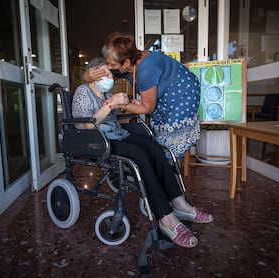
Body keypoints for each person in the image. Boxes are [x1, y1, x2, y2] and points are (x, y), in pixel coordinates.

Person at [73, 57, 213, 248]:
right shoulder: (83, 92)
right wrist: (110, 105)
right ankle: (166, 219)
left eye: (110, 72)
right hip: (97, 142)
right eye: (105, 73)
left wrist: (124, 103)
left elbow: (115, 119)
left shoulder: (105, 93)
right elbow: (85, 125)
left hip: (116, 135)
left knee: (154, 147)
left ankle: (180, 203)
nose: (110, 76)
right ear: (93, 74)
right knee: (138, 154)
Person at [96, 32, 201, 159]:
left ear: (127, 62)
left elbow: (147, 108)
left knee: (169, 140)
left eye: (112, 65)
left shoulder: (146, 69)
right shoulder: (129, 65)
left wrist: (119, 104)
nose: (110, 67)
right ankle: (162, 167)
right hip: (167, 93)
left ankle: (166, 167)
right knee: (157, 136)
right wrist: (89, 76)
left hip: (183, 92)